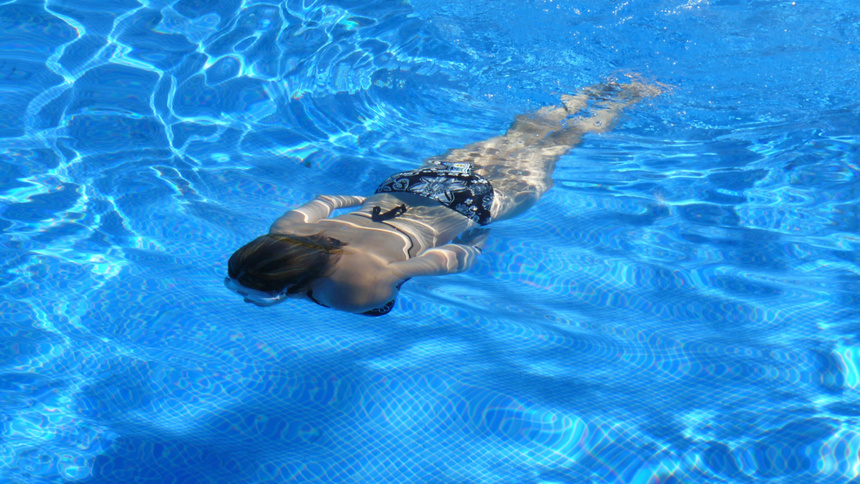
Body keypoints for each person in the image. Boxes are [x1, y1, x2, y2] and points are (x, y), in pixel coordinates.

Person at [225, 80, 659, 315]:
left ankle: (633, 95)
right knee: (521, 134)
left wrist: (472, 246)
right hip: (413, 184)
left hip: (469, 206)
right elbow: (325, 198)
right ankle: (589, 88)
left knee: (559, 145)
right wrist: (363, 196)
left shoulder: (355, 290)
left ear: (288, 286)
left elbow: (439, 261)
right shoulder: (285, 229)